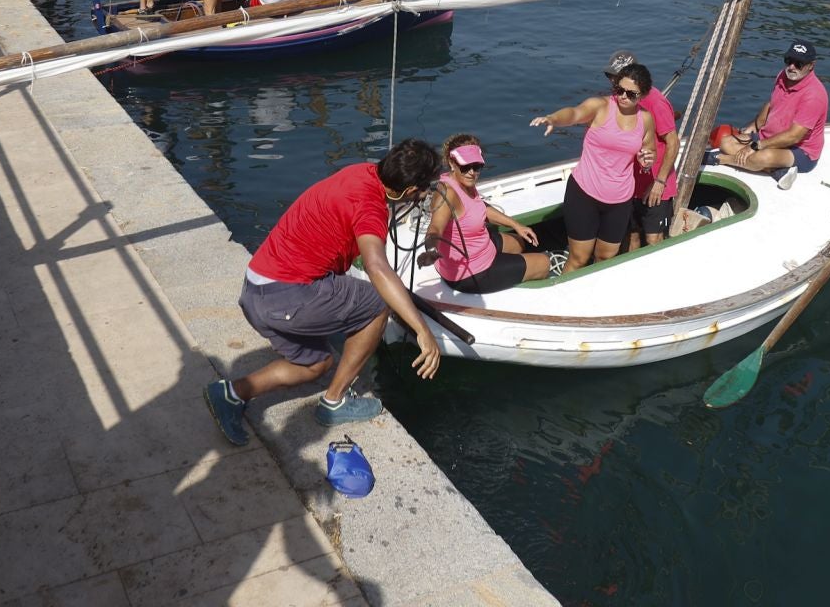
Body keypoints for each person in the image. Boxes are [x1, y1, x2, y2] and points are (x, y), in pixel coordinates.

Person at [203, 139, 443, 445]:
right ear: (410, 191)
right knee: (377, 302)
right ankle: (335, 402)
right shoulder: (370, 208)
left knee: (316, 364)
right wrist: (421, 329)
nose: (424, 195)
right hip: (284, 294)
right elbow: (376, 266)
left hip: (257, 287)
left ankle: (231, 394)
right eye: (423, 189)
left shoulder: (362, 172)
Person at [531, 62, 658, 270]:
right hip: (585, 193)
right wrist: (553, 118)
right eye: (620, 90)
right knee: (579, 258)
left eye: (631, 94)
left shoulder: (645, 119)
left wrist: (647, 160)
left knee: (606, 258)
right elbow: (573, 114)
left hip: (619, 200)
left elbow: (649, 150)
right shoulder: (600, 106)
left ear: (642, 96)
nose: (623, 96)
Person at [424, 135, 554, 293]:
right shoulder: (446, 193)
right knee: (544, 263)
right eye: (465, 167)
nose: (472, 172)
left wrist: (516, 225)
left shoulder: (465, 182)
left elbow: (481, 207)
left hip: (482, 248)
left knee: (520, 242)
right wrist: (431, 249)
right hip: (470, 273)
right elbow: (435, 227)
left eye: (476, 166)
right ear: (452, 163)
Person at [713, 41, 828, 188]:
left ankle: (720, 159)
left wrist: (756, 146)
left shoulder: (814, 95)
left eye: (799, 63)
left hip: (799, 149)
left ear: (811, 65)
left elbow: (794, 136)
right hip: (768, 137)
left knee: (761, 157)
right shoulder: (782, 76)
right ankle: (774, 170)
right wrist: (752, 128)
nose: (791, 67)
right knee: (726, 142)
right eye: (789, 61)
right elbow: (771, 104)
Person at [601, 50, 683, 248]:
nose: (614, 82)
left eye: (618, 77)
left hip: (654, 182)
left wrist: (660, 181)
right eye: (612, 77)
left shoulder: (655, 101)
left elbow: (673, 141)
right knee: (631, 234)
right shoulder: (618, 100)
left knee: (654, 238)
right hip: (629, 183)